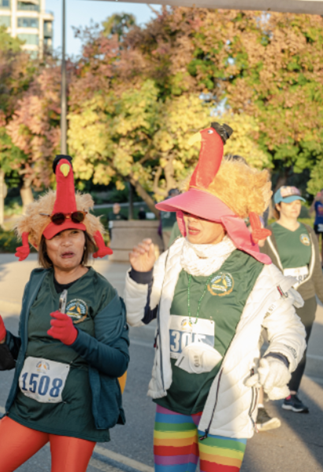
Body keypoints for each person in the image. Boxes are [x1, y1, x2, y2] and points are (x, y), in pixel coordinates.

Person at [123, 124, 307, 472]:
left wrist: (278, 361)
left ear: (228, 218)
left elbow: (289, 330)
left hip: (225, 411)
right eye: (188, 210)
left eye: (202, 212)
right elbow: (137, 316)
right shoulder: (173, 258)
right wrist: (140, 276)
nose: (190, 219)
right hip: (173, 404)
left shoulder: (256, 271)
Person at [0, 156, 124, 472]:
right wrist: (2, 339)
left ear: (86, 239)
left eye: (74, 234)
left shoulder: (103, 291)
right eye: (56, 236)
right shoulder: (35, 282)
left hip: (76, 412)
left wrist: (77, 338)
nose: (66, 242)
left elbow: (118, 362)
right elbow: (28, 352)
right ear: (43, 243)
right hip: (28, 408)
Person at [261, 186, 323, 414]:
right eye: (289, 203)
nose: (295, 207)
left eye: (298, 202)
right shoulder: (269, 233)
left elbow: (315, 270)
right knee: (271, 345)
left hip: (305, 297)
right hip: (279, 298)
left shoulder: (307, 231)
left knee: (300, 347)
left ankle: (291, 395)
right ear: (278, 206)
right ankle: (260, 393)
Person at [314, 191, 323, 258]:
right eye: (321, 194)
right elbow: (311, 211)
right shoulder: (317, 203)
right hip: (317, 224)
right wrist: (315, 199)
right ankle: (316, 258)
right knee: (316, 242)